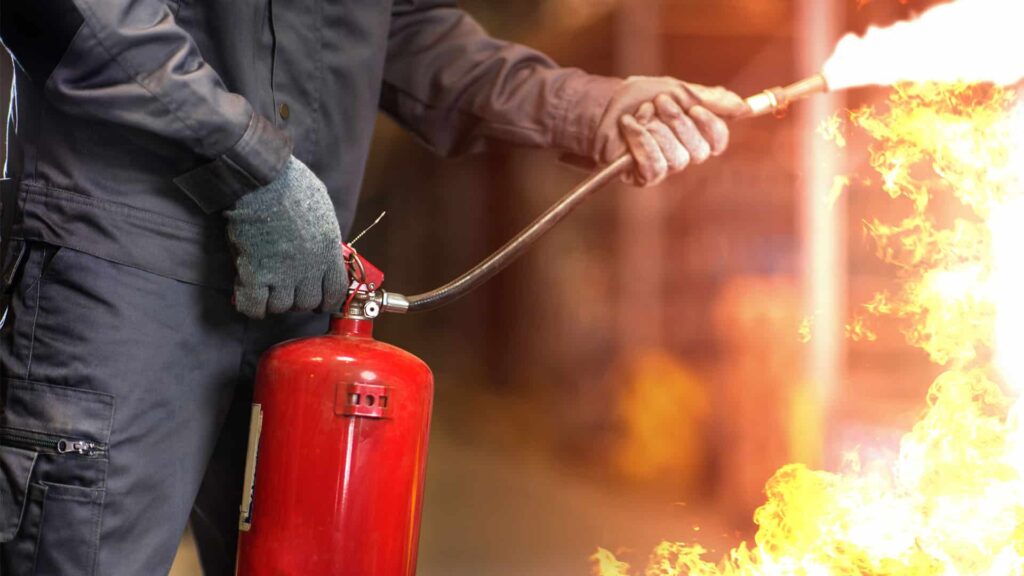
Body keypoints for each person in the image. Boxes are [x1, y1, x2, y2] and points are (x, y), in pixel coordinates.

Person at [0, 1, 746, 574]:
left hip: (300, 283)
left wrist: (589, 106)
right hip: (124, 267)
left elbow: (405, 28)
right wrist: (246, 162)